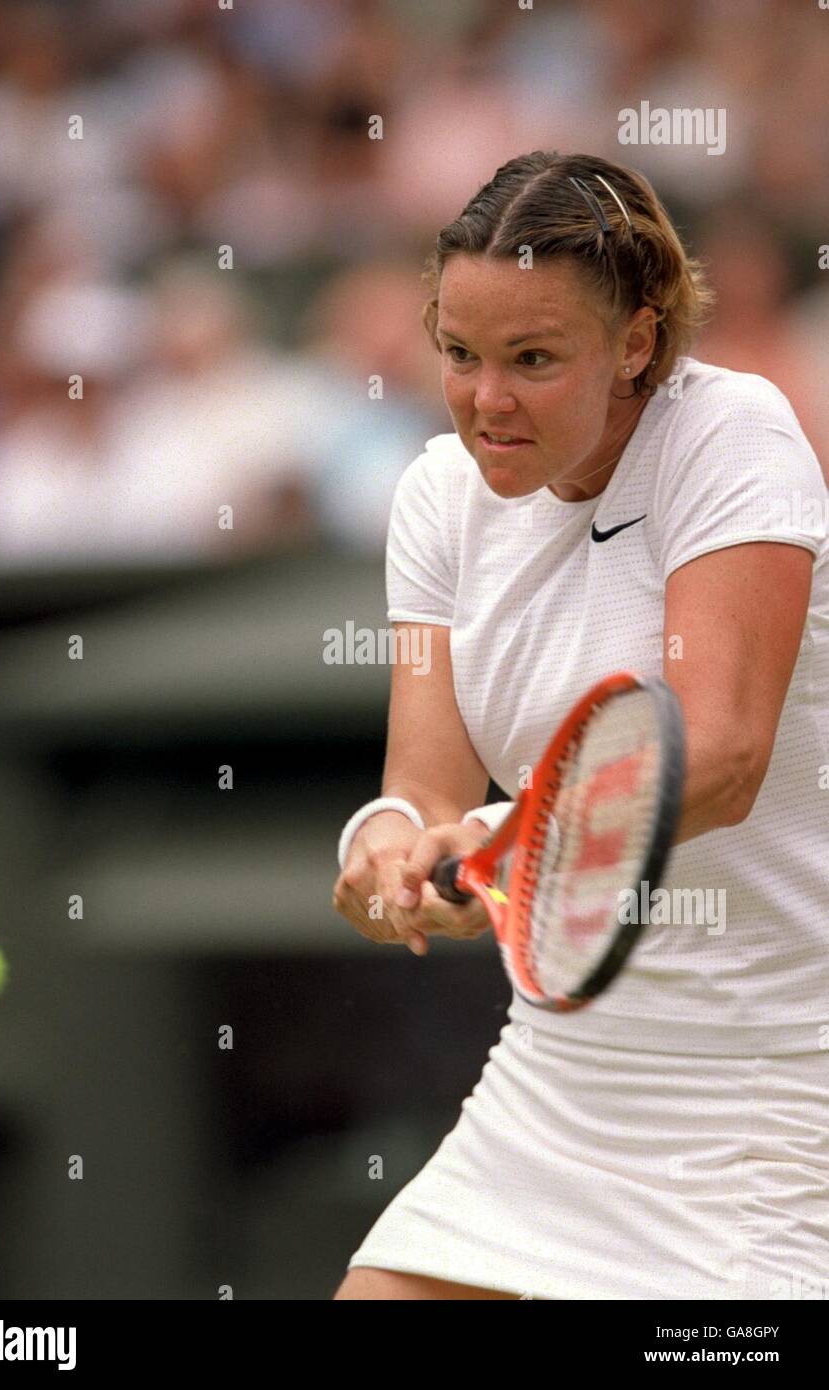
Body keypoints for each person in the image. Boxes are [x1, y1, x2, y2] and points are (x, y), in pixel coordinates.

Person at [331, 152, 829, 1301]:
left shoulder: (730, 435)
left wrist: (502, 840)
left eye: (533, 359)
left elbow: (721, 756)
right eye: (459, 354)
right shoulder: (435, 494)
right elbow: (424, 790)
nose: (485, 400)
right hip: (564, 1076)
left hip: (778, 1078)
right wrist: (387, 853)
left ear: (638, 344)